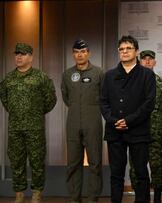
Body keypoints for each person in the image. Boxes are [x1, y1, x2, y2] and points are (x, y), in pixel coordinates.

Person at [100, 35, 156, 203]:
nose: (124, 52)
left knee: (140, 173)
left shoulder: (146, 75)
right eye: (121, 49)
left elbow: (148, 103)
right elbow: (103, 102)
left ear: (136, 51)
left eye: (128, 48)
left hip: (138, 130)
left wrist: (129, 120)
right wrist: (113, 120)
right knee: (116, 174)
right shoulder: (109, 75)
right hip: (114, 130)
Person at [0, 43, 57, 203]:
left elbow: (51, 100)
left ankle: (37, 193)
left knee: (37, 161)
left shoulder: (41, 77)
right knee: (16, 161)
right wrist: (17, 112)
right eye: (16, 54)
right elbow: (4, 99)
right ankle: (19, 193)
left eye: (23, 54)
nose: (18, 57)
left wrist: (36, 113)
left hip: (35, 128)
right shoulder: (8, 79)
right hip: (15, 128)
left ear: (31, 57)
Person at [129, 50, 162, 203]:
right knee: (136, 167)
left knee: (158, 167)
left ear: (155, 62)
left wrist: (159, 120)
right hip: (136, 133)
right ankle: (140, 198)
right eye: (144, 59)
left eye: (150, 59)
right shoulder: (131, 84)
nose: (147, 62)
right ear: (139, 61)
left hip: (157, 134)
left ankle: (157, 198)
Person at [61, 39, 104, 203]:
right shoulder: (67, 74)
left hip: (92, 120)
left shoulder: (99, 73)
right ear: (73, 54)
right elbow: (66, 97)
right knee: (73, 162)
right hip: (72, 121)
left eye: (83, 51)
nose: (80, 55)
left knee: (95, 162)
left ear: (89, 53)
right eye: (77, 52)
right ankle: (74, 197)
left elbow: (104, 96)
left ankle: (93, 198)